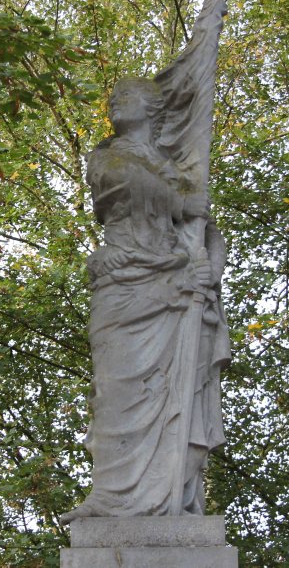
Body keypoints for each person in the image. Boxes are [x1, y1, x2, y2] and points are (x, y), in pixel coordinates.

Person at [61, 76, 230, 522]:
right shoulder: (105, 157)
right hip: (122, 282)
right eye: (112, 96)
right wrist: (180, 200)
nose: (115, 101)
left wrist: (210, 268)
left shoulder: (175, 169)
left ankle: (167, 494)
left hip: (176, 285)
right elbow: (115, 186)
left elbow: (212, 236)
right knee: (114, 387)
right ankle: (112, 495)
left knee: (177, 389)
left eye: (126, 95)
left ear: (153, 108)